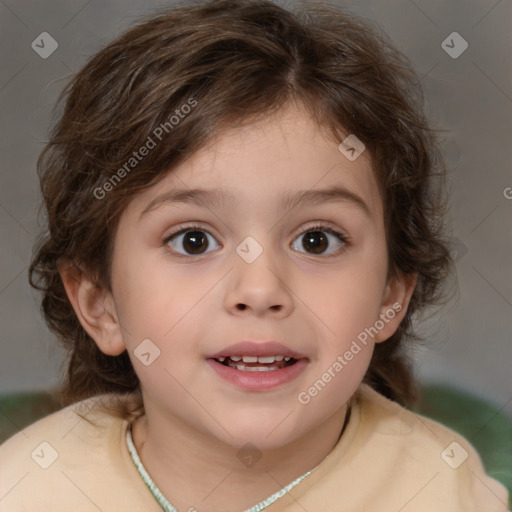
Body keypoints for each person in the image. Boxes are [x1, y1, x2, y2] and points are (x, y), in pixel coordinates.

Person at [0, 0, 508, 510]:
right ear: (99, 303)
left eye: (317, 240)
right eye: (193, 240)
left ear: (391, 295)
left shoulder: (446, 494)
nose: (260, 290)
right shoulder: (27, 490)